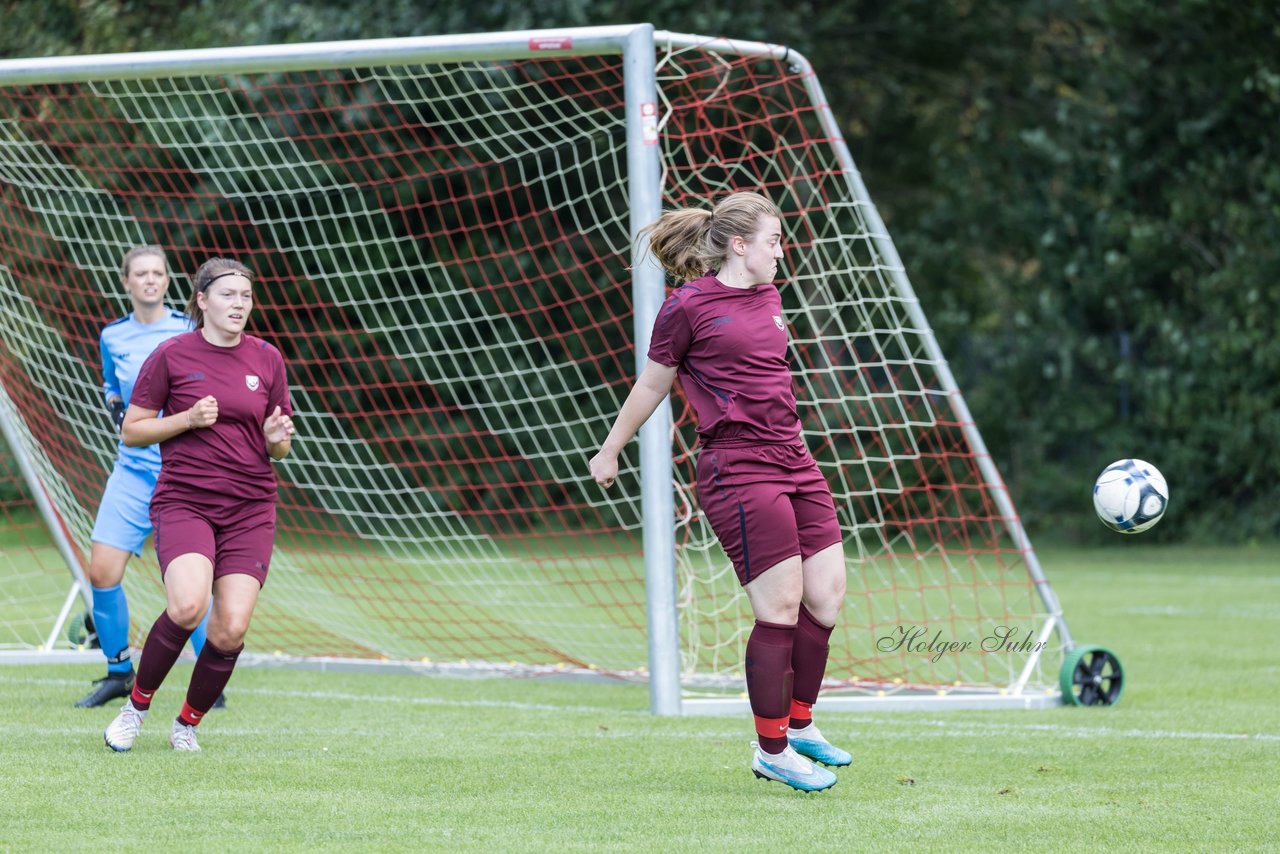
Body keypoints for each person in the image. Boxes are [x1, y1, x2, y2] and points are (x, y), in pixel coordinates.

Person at [589, 191, 851, 792]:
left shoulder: (770, 296)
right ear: (740, 245)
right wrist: (611, 448)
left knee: (827, 596)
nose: (781, 251)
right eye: (773, 240)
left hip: (795, 458)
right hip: (737, 467)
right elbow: (652, 385)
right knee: (780, 605)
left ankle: (802, 724)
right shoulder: (687, 306)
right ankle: (772, 750)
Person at [104, 257, 295, 752]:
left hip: (251, 507)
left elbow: (279, 446)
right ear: (202, 300)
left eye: (246, 296)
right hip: (186, 500)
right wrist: (187, 418)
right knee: (188, 606)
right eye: (228, 295)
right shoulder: (171, 355)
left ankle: (187, 724)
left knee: (230, 628)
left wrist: (277, 438)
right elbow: (133, 429)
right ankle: (134, 709)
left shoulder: (267, 358)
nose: (239, 304)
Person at [76, 246, 218, 709]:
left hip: (184, 473)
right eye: (141, 273)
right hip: (133, 473)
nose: (150, 280)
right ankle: (118, 671)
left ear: (168, 281)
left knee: (190, 584)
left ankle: (209, 679)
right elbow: (111, 388)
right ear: (128, 282)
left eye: (158, 272)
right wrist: (118, 412)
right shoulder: (112, 335)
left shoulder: (189, 330)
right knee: (102, 570)